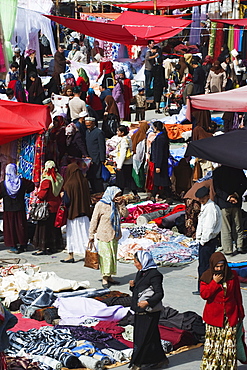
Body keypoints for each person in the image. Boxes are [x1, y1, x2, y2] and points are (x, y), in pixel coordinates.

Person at [200, 252, 245, 369]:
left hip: (230, 316)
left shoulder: (232, 275)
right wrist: (214, 283)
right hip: (214, 318)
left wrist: (241, 312)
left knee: (229, 346)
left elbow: (237, 295)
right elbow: (204, 295)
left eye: (222, 266)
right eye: (217, 266)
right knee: (214, 346)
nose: (219, 269)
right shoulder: (207, 277)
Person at [129, 250, 169, 370]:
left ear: (143, 261)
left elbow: (159, 294)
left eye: (136, 262)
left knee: (144, 337)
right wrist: (132, 287)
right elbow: (139, 290)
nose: (135, 264)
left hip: (149, 312)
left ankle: (139, 363)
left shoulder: (155, 275)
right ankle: (160, 360)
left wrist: (147, 302)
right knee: (151, 337)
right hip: (139, 310)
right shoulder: (141, 273)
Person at [89, 186, 128, 288]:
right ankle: (104, 278)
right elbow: (94, 220)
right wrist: (91, 234)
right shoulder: (100, 205)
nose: (117, 197)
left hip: (114, 235)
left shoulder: (116, 205)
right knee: (105, 258)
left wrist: (122, 204)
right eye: (116, 195)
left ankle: (110, 276)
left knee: (112, 257)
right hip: (103, 235)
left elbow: (125, 215)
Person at [193, 186, 222, 295]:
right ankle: (202, 287)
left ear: (207, 196)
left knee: (205, 266)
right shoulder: (205, 206)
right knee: (203, 265)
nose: (201, 200)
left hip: (208, 241)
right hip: (205, 241)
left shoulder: (210, 209)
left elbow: (209, 228)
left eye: (202, 198)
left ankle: (204, 288)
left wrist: (203, 240)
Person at [0, 164, 34, 254]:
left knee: (11, 228)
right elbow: (32, 185)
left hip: (9, 210)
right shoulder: (22, 182)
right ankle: (23, 245)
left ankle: (13, 246)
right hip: (20, 208)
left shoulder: (3, 184)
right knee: (20, 227)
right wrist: (25, 191)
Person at [61, 163, 91, 263]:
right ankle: (90, 255)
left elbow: (67, 201)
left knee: (71, 235)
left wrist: (62, 195)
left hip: (74, 214)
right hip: (85, 213)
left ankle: (70, 256)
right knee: (85, 235)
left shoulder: (69, 184)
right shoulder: (84, 181)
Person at [213, 165, 247, 256]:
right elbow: (244, 183)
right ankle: (239, 245)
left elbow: (217, 189)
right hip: (236, 202)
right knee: (238, 225)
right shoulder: (237, 170)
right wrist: (235, 195)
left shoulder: (217, 172)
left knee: (225, 227)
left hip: (223, 203)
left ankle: (228, 249)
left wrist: (228, 197)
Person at [33, 161, 64, 255]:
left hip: (47, 208)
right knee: (54, 228)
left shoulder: (47, 180)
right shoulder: (59, 179)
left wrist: (37, 194)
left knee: (43, 228)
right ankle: (54, 246)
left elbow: (42, 195)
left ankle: (43, 248)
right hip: (56, 206)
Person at [111, 125, 138, 196]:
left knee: (122, 180)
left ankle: (121, 195)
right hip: (128, 162)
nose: (117, 132)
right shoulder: (127, 139)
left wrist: (119, 166)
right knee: (127, 179)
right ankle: (134, 194)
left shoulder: (124, 141)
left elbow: (123, 153)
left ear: (122, 132)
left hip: (124, 163)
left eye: (118, 131)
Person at [148, 121, 171, 201]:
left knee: (161, 181)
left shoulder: (160, 138)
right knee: (161, 181)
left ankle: (165, 196)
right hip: (161, 162)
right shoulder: (162, 136)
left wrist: (158, 165)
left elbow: (159, 152)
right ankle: (156, 195)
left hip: (160, 163)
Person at [85, 117, 106, 194]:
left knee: (97, 176)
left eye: (89, 125)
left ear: (93, 124)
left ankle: (99, 191)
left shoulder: (98, 132)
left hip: (96, 157)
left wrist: (102, 158)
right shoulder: (87, 132)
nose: (87, 127)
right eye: (86, 125)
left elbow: (101, 146)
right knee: (91, 175)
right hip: (89, 158)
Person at [131, 121, 149, 189]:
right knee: (139, 172)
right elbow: (140, 150)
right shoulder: (142, 137)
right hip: (138, 157)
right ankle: (139, 186)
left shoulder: (136, 134)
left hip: (134, 156)